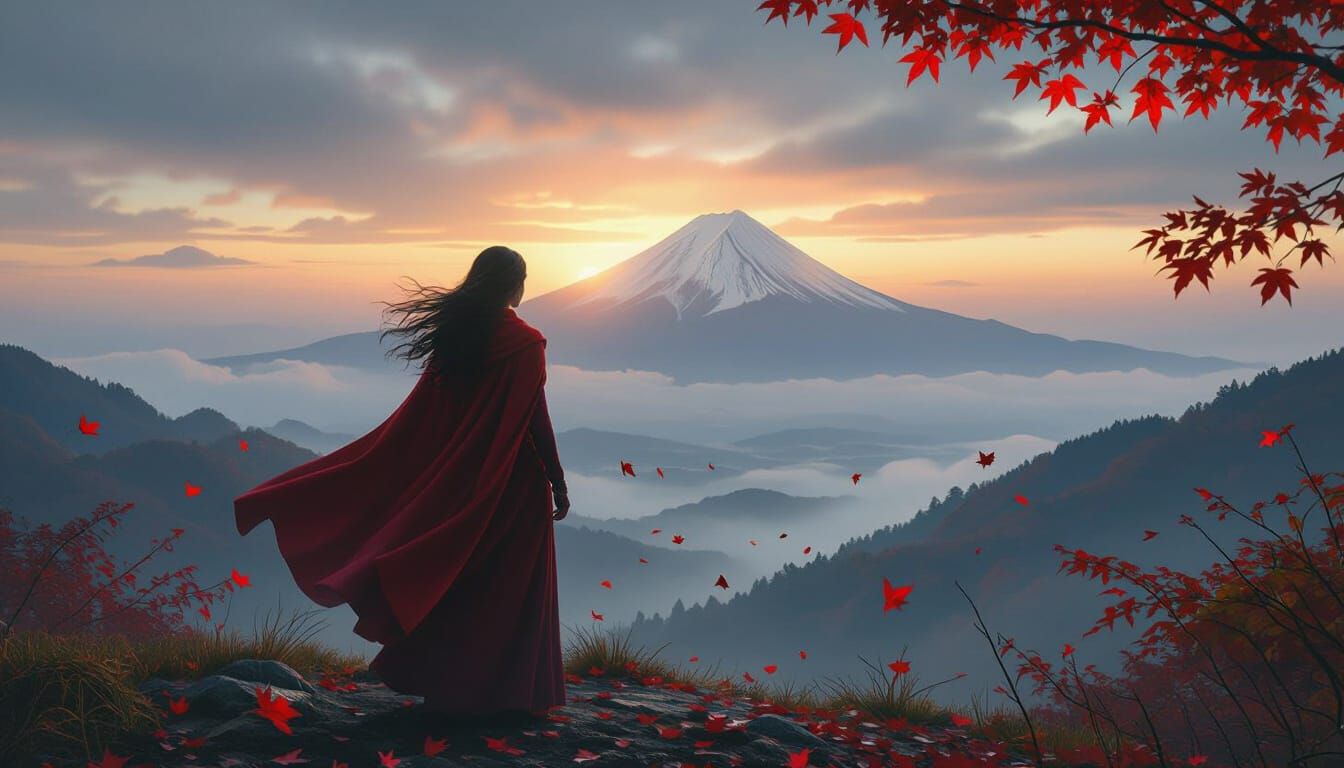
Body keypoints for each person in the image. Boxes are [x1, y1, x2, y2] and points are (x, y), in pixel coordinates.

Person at [234, 245, 569, 718]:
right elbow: (536, 418)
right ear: (515, 284)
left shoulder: (458, 335)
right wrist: (558, 481)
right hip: (513, 486)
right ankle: (509, 694)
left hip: (458, 482)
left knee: (458, 581)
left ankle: (447, 686)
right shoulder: (526, 344)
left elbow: (427, 417)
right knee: (510, 586)